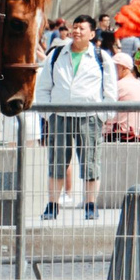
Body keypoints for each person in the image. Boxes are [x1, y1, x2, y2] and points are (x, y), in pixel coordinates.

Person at [38, 13, 112, 220]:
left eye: (82, 28)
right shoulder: (56, 55)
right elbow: (44, 87)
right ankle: (52, 204)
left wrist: (103, 116)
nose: (77, 31)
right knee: (56, 161)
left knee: (90, 162)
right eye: (75, 27)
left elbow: (110, 91)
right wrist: (48, 114)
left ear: (92, 33)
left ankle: (90, 204)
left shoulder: (101, 57)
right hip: (59, 115)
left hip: (89, 116)